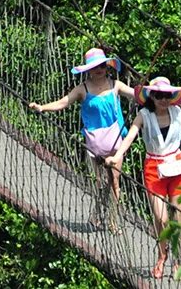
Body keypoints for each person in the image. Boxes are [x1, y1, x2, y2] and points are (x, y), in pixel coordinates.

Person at [106, 76, 181, 279]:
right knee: (161, 219)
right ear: (152, 96)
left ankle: (179, 259)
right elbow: (129, 137)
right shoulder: (143, 115)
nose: (164, 99)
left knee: (178, 218)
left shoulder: (177, 112)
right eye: (160, 95)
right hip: (154, 169)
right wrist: (116, 157)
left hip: (178, 169)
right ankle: (162, 255)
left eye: (167, 95)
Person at [28, 47, 136, 230]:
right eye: (95, 67)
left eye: (102, 65)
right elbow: (63, 102)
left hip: (115, 140)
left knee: (115, 182)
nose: (99, 69)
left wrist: (154, 95)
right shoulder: (83, 89)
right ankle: (97, 215)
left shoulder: (115, 85)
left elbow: (136, 95)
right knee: (100, 182)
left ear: (107, 66)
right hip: (95, 143)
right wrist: (42, 107)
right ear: (88, 70)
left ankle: (113, 221)